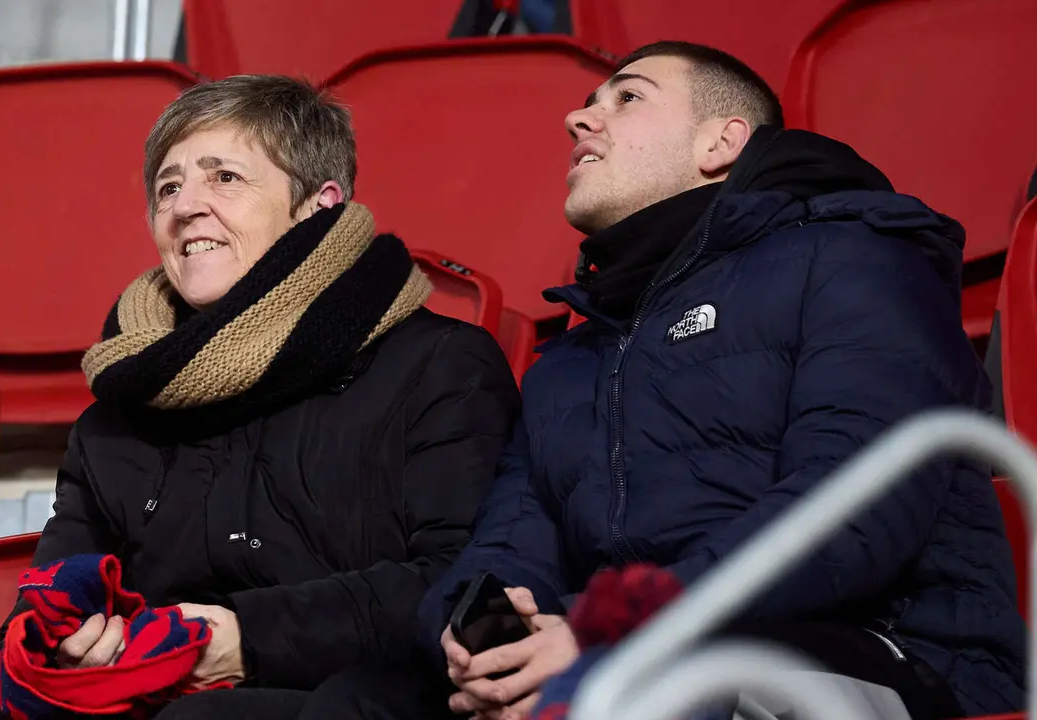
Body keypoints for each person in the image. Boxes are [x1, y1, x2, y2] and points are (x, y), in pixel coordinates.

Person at [419, 41, 1026, 720]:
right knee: (372, 698)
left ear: (723, 142)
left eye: (628, 97)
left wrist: (615, 637)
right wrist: (487, 643)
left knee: (677, 691)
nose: (577, 119)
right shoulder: (568, 360)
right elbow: (508, 543)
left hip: (897, 658)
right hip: (642, 659)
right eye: (591, 102)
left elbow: (852, 511)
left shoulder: (856, 258)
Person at [0, 75, 518, 719]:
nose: (184, 206)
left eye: (223, 177)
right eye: (168, 188)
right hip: (157, 695)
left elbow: (462, 579)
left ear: (320, 207)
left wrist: (247, 637)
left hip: (365, 694)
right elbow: (46, 603)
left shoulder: (438, 365)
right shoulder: (114, 419)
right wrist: (61, 649)